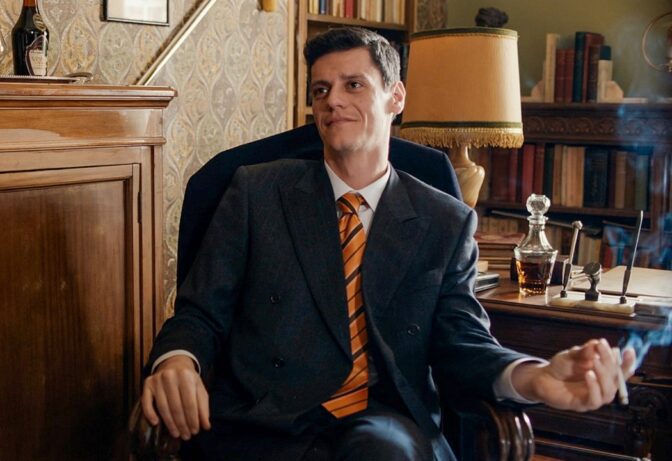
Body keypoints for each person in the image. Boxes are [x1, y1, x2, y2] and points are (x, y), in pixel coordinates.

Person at [141, 27, 636, 460]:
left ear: (395, 97)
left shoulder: (445, 220)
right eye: (321, 89)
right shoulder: (256, 191)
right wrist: (178, 359)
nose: (333, 100)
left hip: (382, 422)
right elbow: (200, 313)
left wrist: (535, 377)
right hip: (264, 420)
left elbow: (464, 344)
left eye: (353, 84)